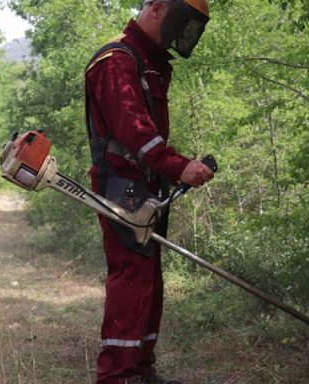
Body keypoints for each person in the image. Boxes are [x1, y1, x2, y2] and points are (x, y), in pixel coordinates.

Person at [84, 1, 214, 382]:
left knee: (149, 277)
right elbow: (135, 132)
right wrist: (179, 166)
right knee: (131, 274)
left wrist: (168, 172)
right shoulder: (117, 60)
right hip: (121, 185)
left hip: (147, 185)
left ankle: (141, 368)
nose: (182, 33)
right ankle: (117, 375)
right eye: (182, 21)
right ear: (157, 7)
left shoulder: (149, 60)